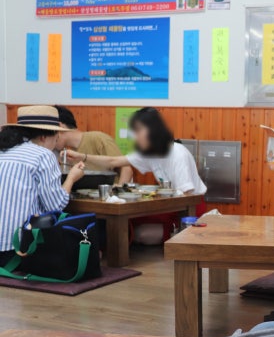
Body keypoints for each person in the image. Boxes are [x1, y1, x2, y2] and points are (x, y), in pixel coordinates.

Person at [0, 106, 85, 265]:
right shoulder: (42, 155)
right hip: (17, 248)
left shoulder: (4, 149)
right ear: (45, 136)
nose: (57, 141)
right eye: (57, 136)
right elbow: (55, 206)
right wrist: (71, 178)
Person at [64, 107, 206, 196]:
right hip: (172, 206)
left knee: (141, 233)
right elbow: (113, 161)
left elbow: (187, 195)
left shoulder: (177, 154)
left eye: (138, 131)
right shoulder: (150, 152)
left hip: (189, 210)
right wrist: (81, 156)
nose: (135, 136)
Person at [54, 105, 133, 184]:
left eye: (50, 132)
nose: (49, 138)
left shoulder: (98, 139)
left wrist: (117, 194)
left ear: (60, 126)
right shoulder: (64, 153)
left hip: (108, 194)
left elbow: (126, 168)